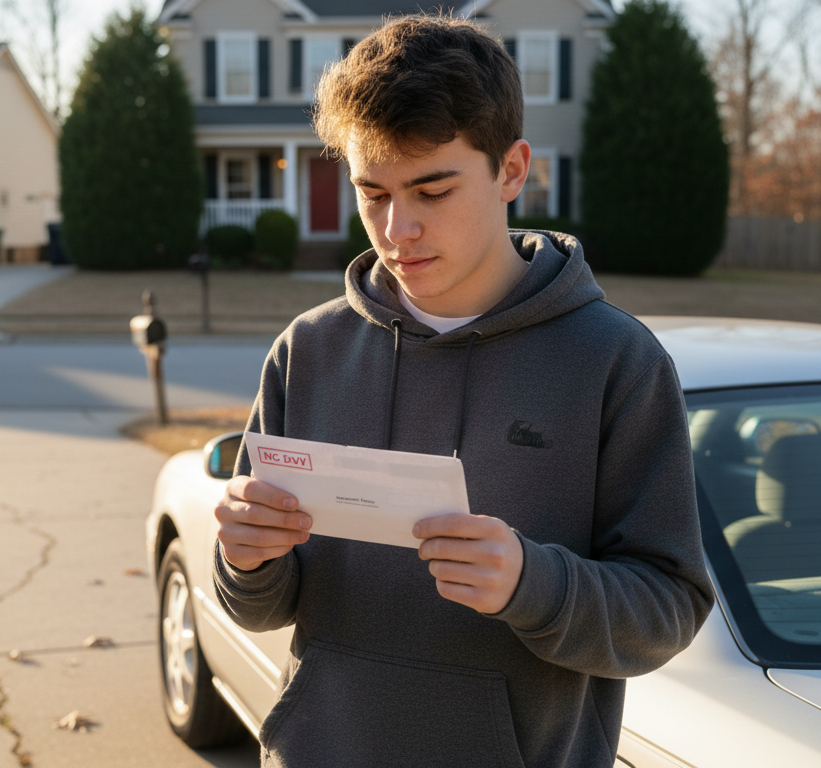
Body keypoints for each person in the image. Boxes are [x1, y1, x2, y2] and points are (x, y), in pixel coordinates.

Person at [213, 14, 713, 768]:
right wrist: (246, 561)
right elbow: (264, 605)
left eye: (432, 189)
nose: (396, 228)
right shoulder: (308, 350)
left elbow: (668, 609)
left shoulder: (615, 361)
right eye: (370, 192)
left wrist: (532, 582)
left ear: (513, 170)